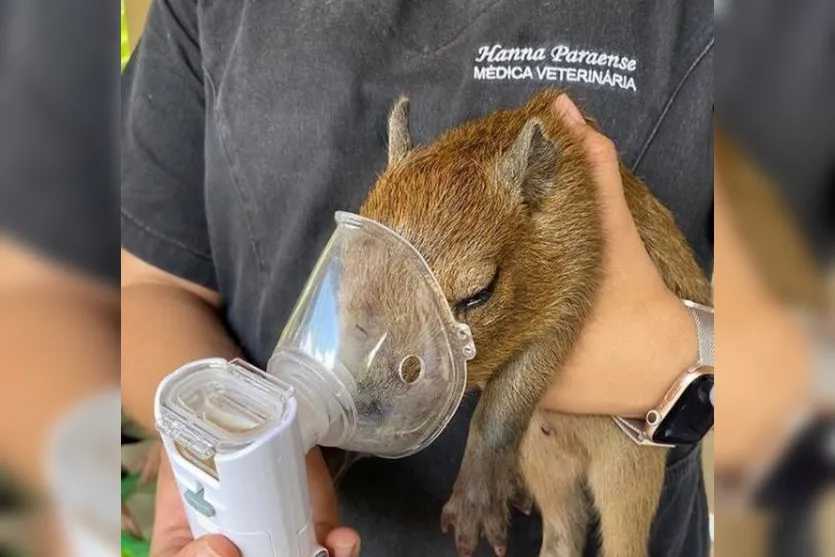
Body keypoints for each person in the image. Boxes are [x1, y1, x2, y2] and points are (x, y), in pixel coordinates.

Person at [121, 1, 714, 555]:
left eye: (473, 295)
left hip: (630, 460)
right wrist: (224, 438)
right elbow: (147, 285)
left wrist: (682, 356)